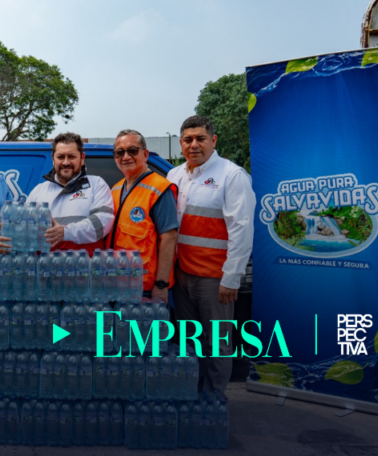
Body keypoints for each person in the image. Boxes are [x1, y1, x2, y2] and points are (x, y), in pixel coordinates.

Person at [167, 115, 254, 395]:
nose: (194, 145)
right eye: (188, 140)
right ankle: (192, 395)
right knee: (189, 341)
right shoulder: (175, 175)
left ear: (213, 141)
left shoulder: (232, 175)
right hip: (182, 277)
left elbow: (241, 229)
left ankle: (213, 401)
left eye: (200, 138)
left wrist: (232, 277)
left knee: (216, 344)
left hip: (214, 281)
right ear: (181, 144)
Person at [105, 129, 179, 304]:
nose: (126, 157)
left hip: (146, 290)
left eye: (132, 150)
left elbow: (169, 238)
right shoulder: (115, 190)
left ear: (145, 154)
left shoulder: (160, 189)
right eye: (119, 152)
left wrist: (161, 285)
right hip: (118, 287)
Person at [26, 132, 114, 255]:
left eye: (71, 156)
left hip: (85, 269)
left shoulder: (97, 185)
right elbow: (25, 229)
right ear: (53, 159)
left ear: (82, 158)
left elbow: (101, 224)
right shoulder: (38, 191)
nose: (66, 162)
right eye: (60, 157)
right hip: (47, 269)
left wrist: (65, 232)